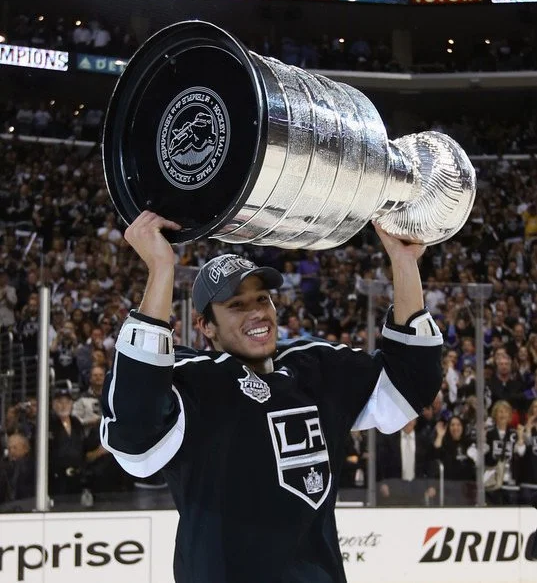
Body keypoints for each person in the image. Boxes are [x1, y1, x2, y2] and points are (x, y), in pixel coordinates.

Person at [100, 211, 443, 583]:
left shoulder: (314, 369)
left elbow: (408, 384)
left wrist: (404, 263)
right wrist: (161, 268)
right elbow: (136, 435)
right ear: (205, 326)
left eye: (262, 299)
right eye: (237, 305)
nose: (257, 313)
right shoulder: (194, 381)